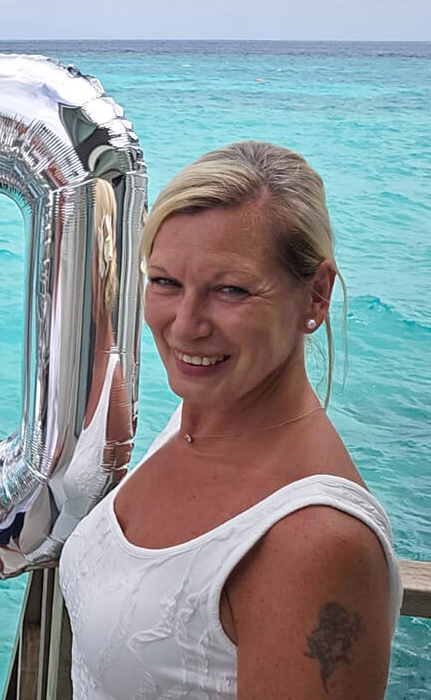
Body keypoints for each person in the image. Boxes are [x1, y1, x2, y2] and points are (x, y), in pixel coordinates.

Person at [57, 141, 402, 699]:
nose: (185, 325)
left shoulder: (315, 544)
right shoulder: (197, 419)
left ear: (316, 295)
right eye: (165, 282)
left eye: (231, 290)